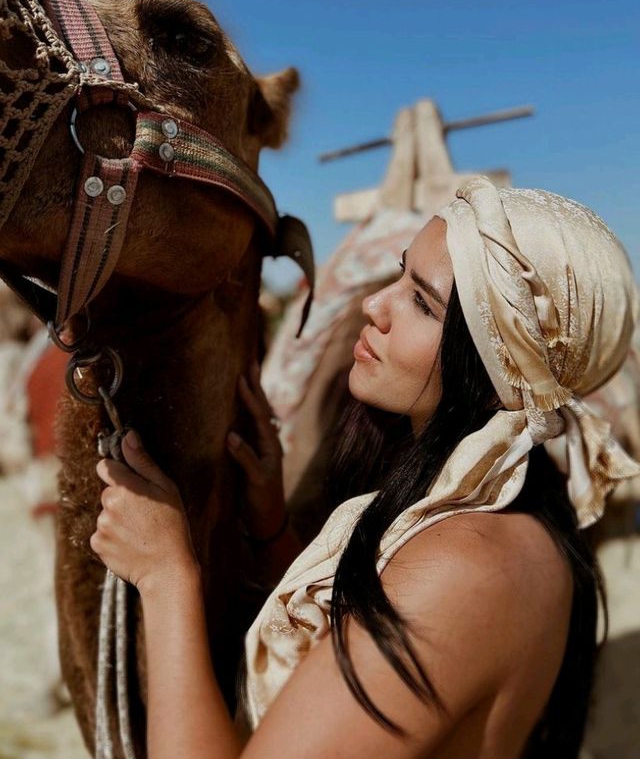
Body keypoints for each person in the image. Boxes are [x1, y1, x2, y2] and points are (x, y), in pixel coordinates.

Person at [90, 177, 639, 759]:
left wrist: (165, 577)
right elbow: (355, 640)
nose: (371, 305)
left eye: (422, 303)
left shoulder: (462, 569)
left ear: (500, 369)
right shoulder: (513, 511)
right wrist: (274, 524)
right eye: (400, 275)